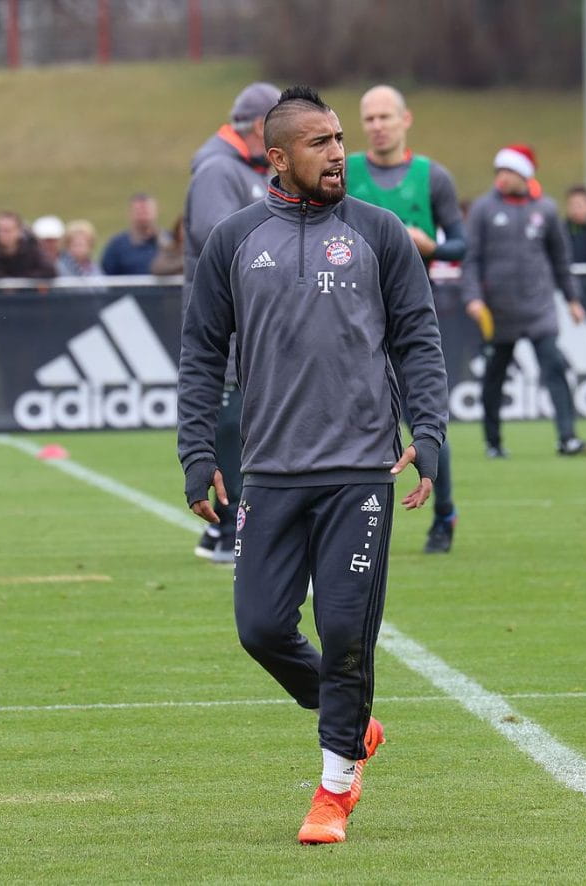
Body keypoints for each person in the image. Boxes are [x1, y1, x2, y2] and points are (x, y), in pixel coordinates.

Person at [177, 86, 448, 844]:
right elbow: (201, 353)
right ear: (277, 157)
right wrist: (198, 453)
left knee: (345, 629)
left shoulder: (380, 232)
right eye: (322, 142)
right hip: (269, 471)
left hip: (360, 470)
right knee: (261, 628)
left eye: (340, 139)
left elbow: (418, 338)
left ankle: (333, 790)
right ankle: (353, 721)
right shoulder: (233, 241)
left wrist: (428, 430)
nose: (339, 153)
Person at [347, 84, 466, 554]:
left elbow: (462, 243)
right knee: (355, 421)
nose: (377, 126)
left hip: (414, 316)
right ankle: (351, 521)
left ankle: (443, 514)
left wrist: (432, 246)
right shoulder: (346, 171)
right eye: (369, 119)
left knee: (426, 420)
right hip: (354, 318)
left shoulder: (432, 177)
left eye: (385, 117)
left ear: (405, 120)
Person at [183, 81, 281, 564]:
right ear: (262, 125)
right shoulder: (219, 169)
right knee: (227, 418)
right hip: (226, 321)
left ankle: (228, 530)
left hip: (248, 318)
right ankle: (225, 527)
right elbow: (218, 239)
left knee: (244, 418)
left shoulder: (244, 167)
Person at [462, 144, 586, 458]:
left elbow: (560, 259)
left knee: (554, 367)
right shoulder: (484, 209)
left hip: (540, 309)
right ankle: (493, 443)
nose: (502, 177)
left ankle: (567, 438)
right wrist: (473, 298)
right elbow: (472, 259)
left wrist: (573, 298)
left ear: (524, 174)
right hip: (499, 312)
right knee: (495, 376)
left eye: (508, 171)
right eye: (499, 171)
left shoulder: (546, 209)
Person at [101, 193, 159, 275]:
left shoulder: (169, 242)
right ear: (130, 213)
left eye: (146, 211)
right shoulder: (116, 246)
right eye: (139, 211)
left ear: (155, 212)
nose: (143, 216)